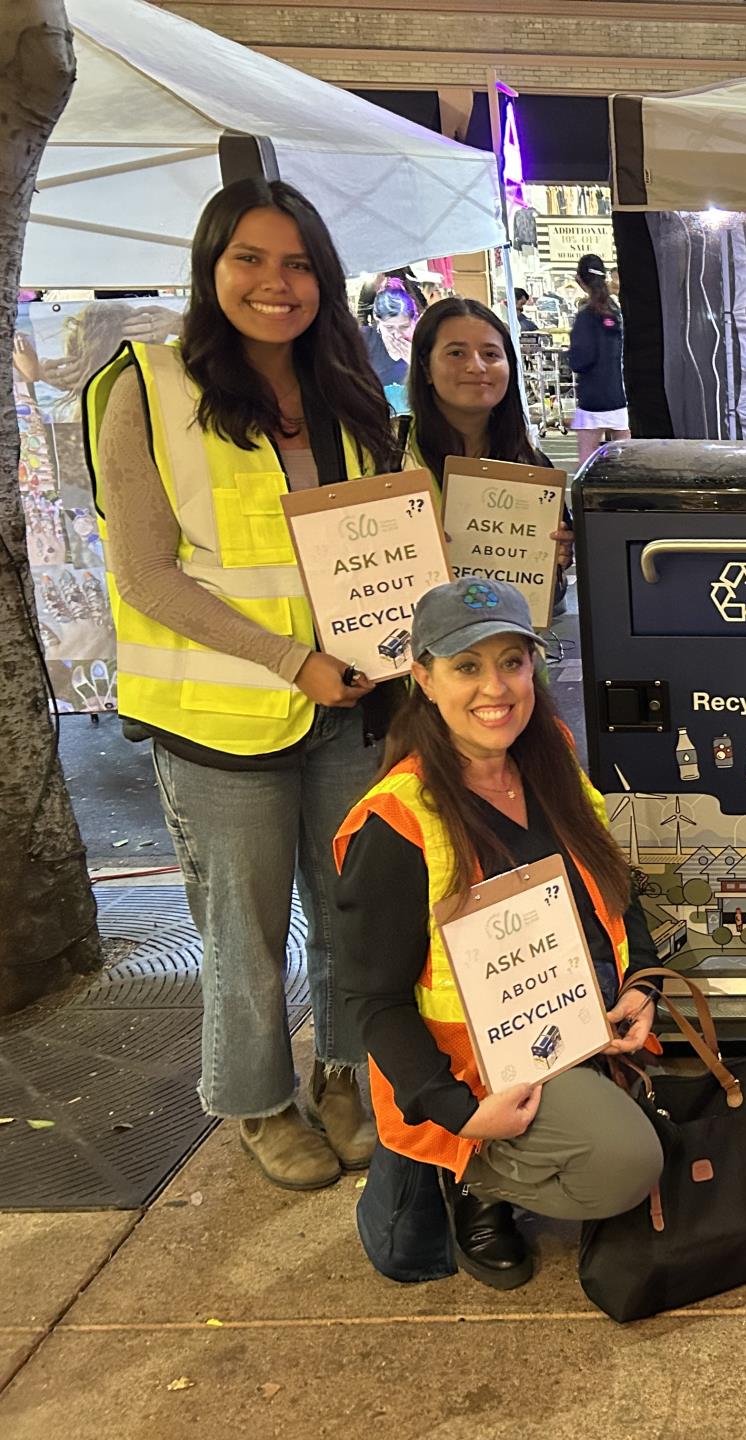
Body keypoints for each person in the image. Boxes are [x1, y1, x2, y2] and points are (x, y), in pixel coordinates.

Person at [81, 178, 401, 1190]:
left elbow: (381, 536)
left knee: (355, 907)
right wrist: (289, 661)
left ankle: (347, 1075)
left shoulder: (345, 387)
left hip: (349, 706)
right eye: (251, 260)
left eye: (299, 262)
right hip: (220, 719)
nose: (277, 283)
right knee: (243, 927)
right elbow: (147, 577)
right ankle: (258, 1101)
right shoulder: (149, 384)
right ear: (211, 268)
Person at [335, 580, 664, 1289]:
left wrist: (644, 985)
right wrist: (461, 1113)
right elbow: (370, 998)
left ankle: (508, 1154)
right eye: (467, 667)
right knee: (628, 1165)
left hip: (581, 1025)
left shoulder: (548, 754)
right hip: (476, 1074)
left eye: (513, 663)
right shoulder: (399, 820)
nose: (498, 689)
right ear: (421, 677)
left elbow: (613, 887)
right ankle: (475, 1180)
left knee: (650, 1135)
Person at [404, 298, 575, 606]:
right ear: (425, 368)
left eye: (491, 354)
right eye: (456, 353)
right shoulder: (386, 455)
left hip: (502, 644)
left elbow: (546, 598)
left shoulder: (533, 466)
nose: (476, 366)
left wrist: (557, 563)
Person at [567, 253, 627, 448]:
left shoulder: (586, 316)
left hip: (592, 398)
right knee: (629, 459)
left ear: (579, 280)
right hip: (618, 395)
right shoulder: (615, 312)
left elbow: (581, 360)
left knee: (587, 459)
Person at [361, 281, 419, 415]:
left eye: (404, 326)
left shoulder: (423, 342)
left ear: (413, 319)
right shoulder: (364, 340)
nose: (397, 334)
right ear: (377, 318)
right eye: (389, 327)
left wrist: (415, 362)